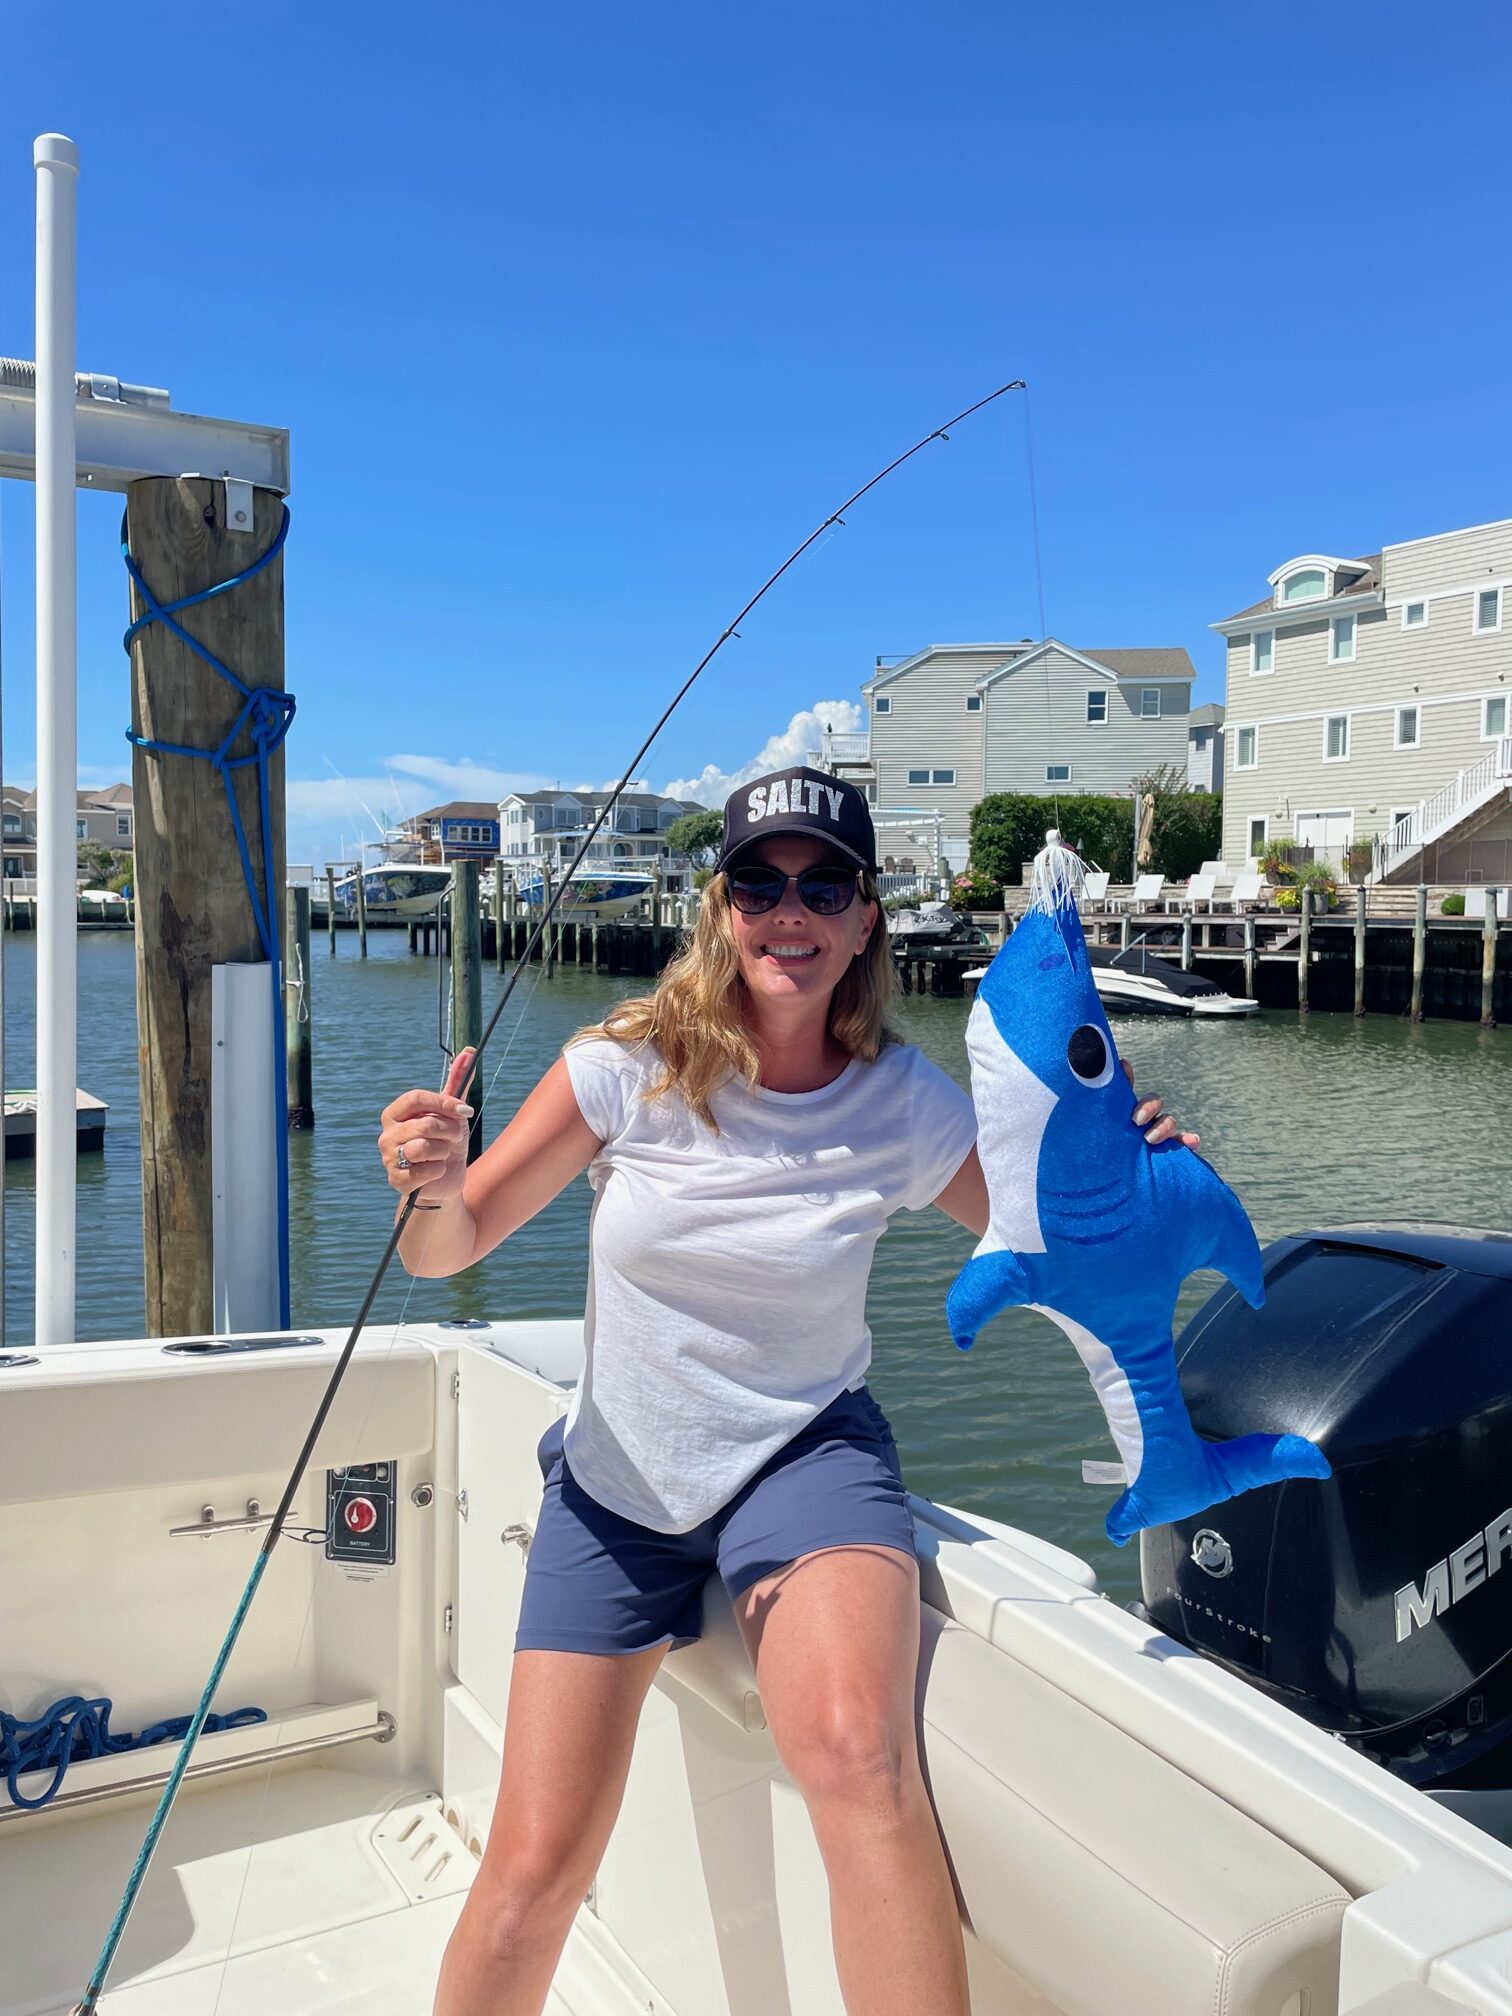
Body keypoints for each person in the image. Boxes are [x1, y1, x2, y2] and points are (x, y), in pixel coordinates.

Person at [378, 767, 1193, 2016]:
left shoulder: (905, 1102)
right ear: (721, 906)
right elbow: (450, 1244)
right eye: (760, 881)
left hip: (803, 1462)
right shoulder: (623, 1066)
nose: (789, 911)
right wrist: (430, 1177)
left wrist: (1123, 1167)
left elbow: (1052, 1249)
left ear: (867, 917)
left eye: (825, 885)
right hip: (617, 1486)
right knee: (533, 1871)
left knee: (861, 1764)